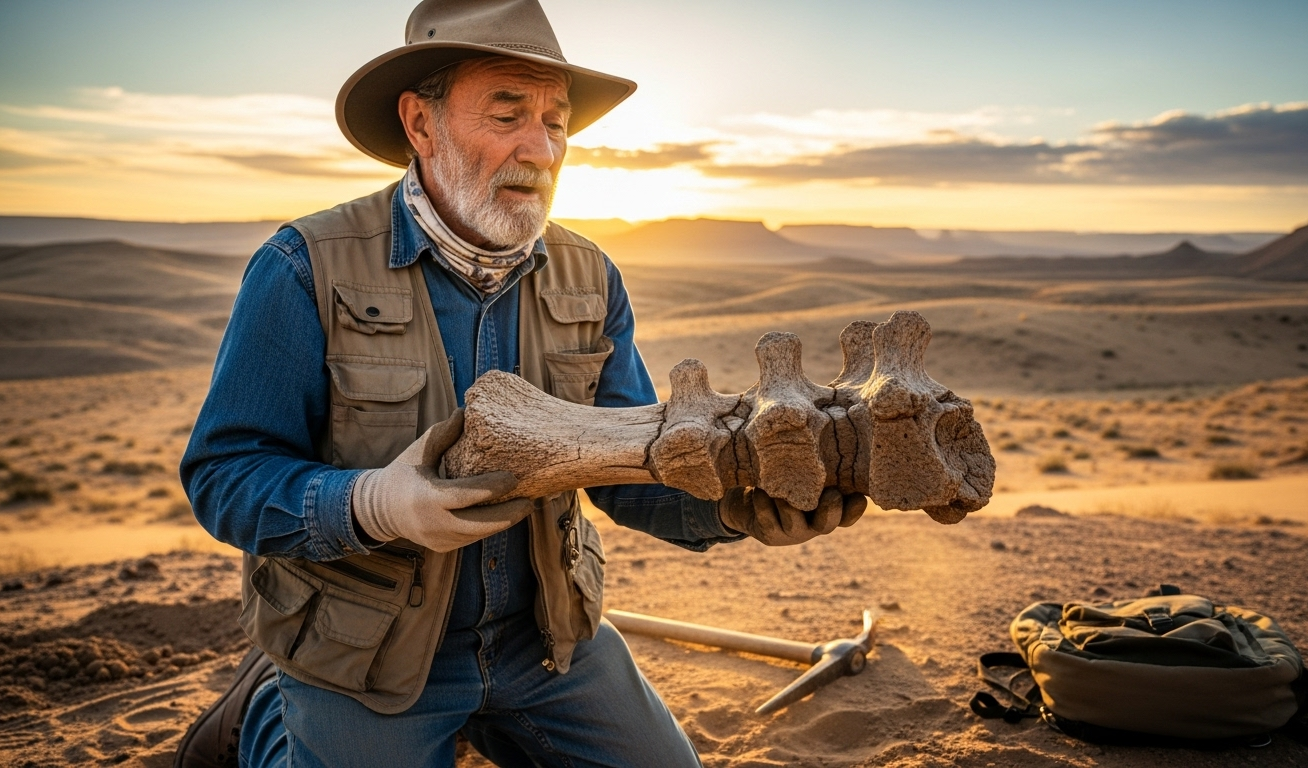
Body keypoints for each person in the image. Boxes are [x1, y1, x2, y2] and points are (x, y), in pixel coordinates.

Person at [175, 2, 865, 766]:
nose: (540, 149)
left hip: (546, 647)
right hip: (362, 659)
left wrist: (739, 509)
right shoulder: (304, 267)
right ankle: (272, 711)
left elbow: (630, 473)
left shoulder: (589, 275)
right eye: (507, 114)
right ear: (420, 124)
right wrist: (377, 504)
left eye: (556, 122)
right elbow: (225, 475)